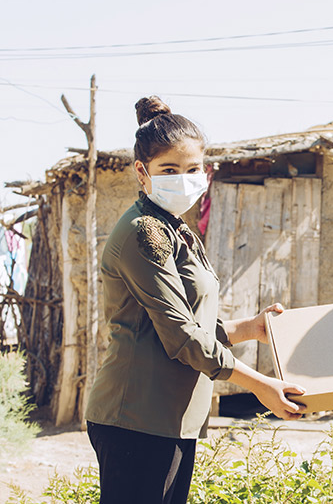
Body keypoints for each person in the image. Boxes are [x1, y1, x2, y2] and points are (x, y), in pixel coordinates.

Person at [85, 96, 305, 504]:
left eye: (192, 169)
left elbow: (182, 327)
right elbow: (182, 337)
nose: (183, 179)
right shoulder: (143, 232)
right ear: (142, 171)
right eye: (169, 170)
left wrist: (250, 328)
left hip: (171, 419)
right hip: (137, 418)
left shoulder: (175, 229)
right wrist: (260, 385)